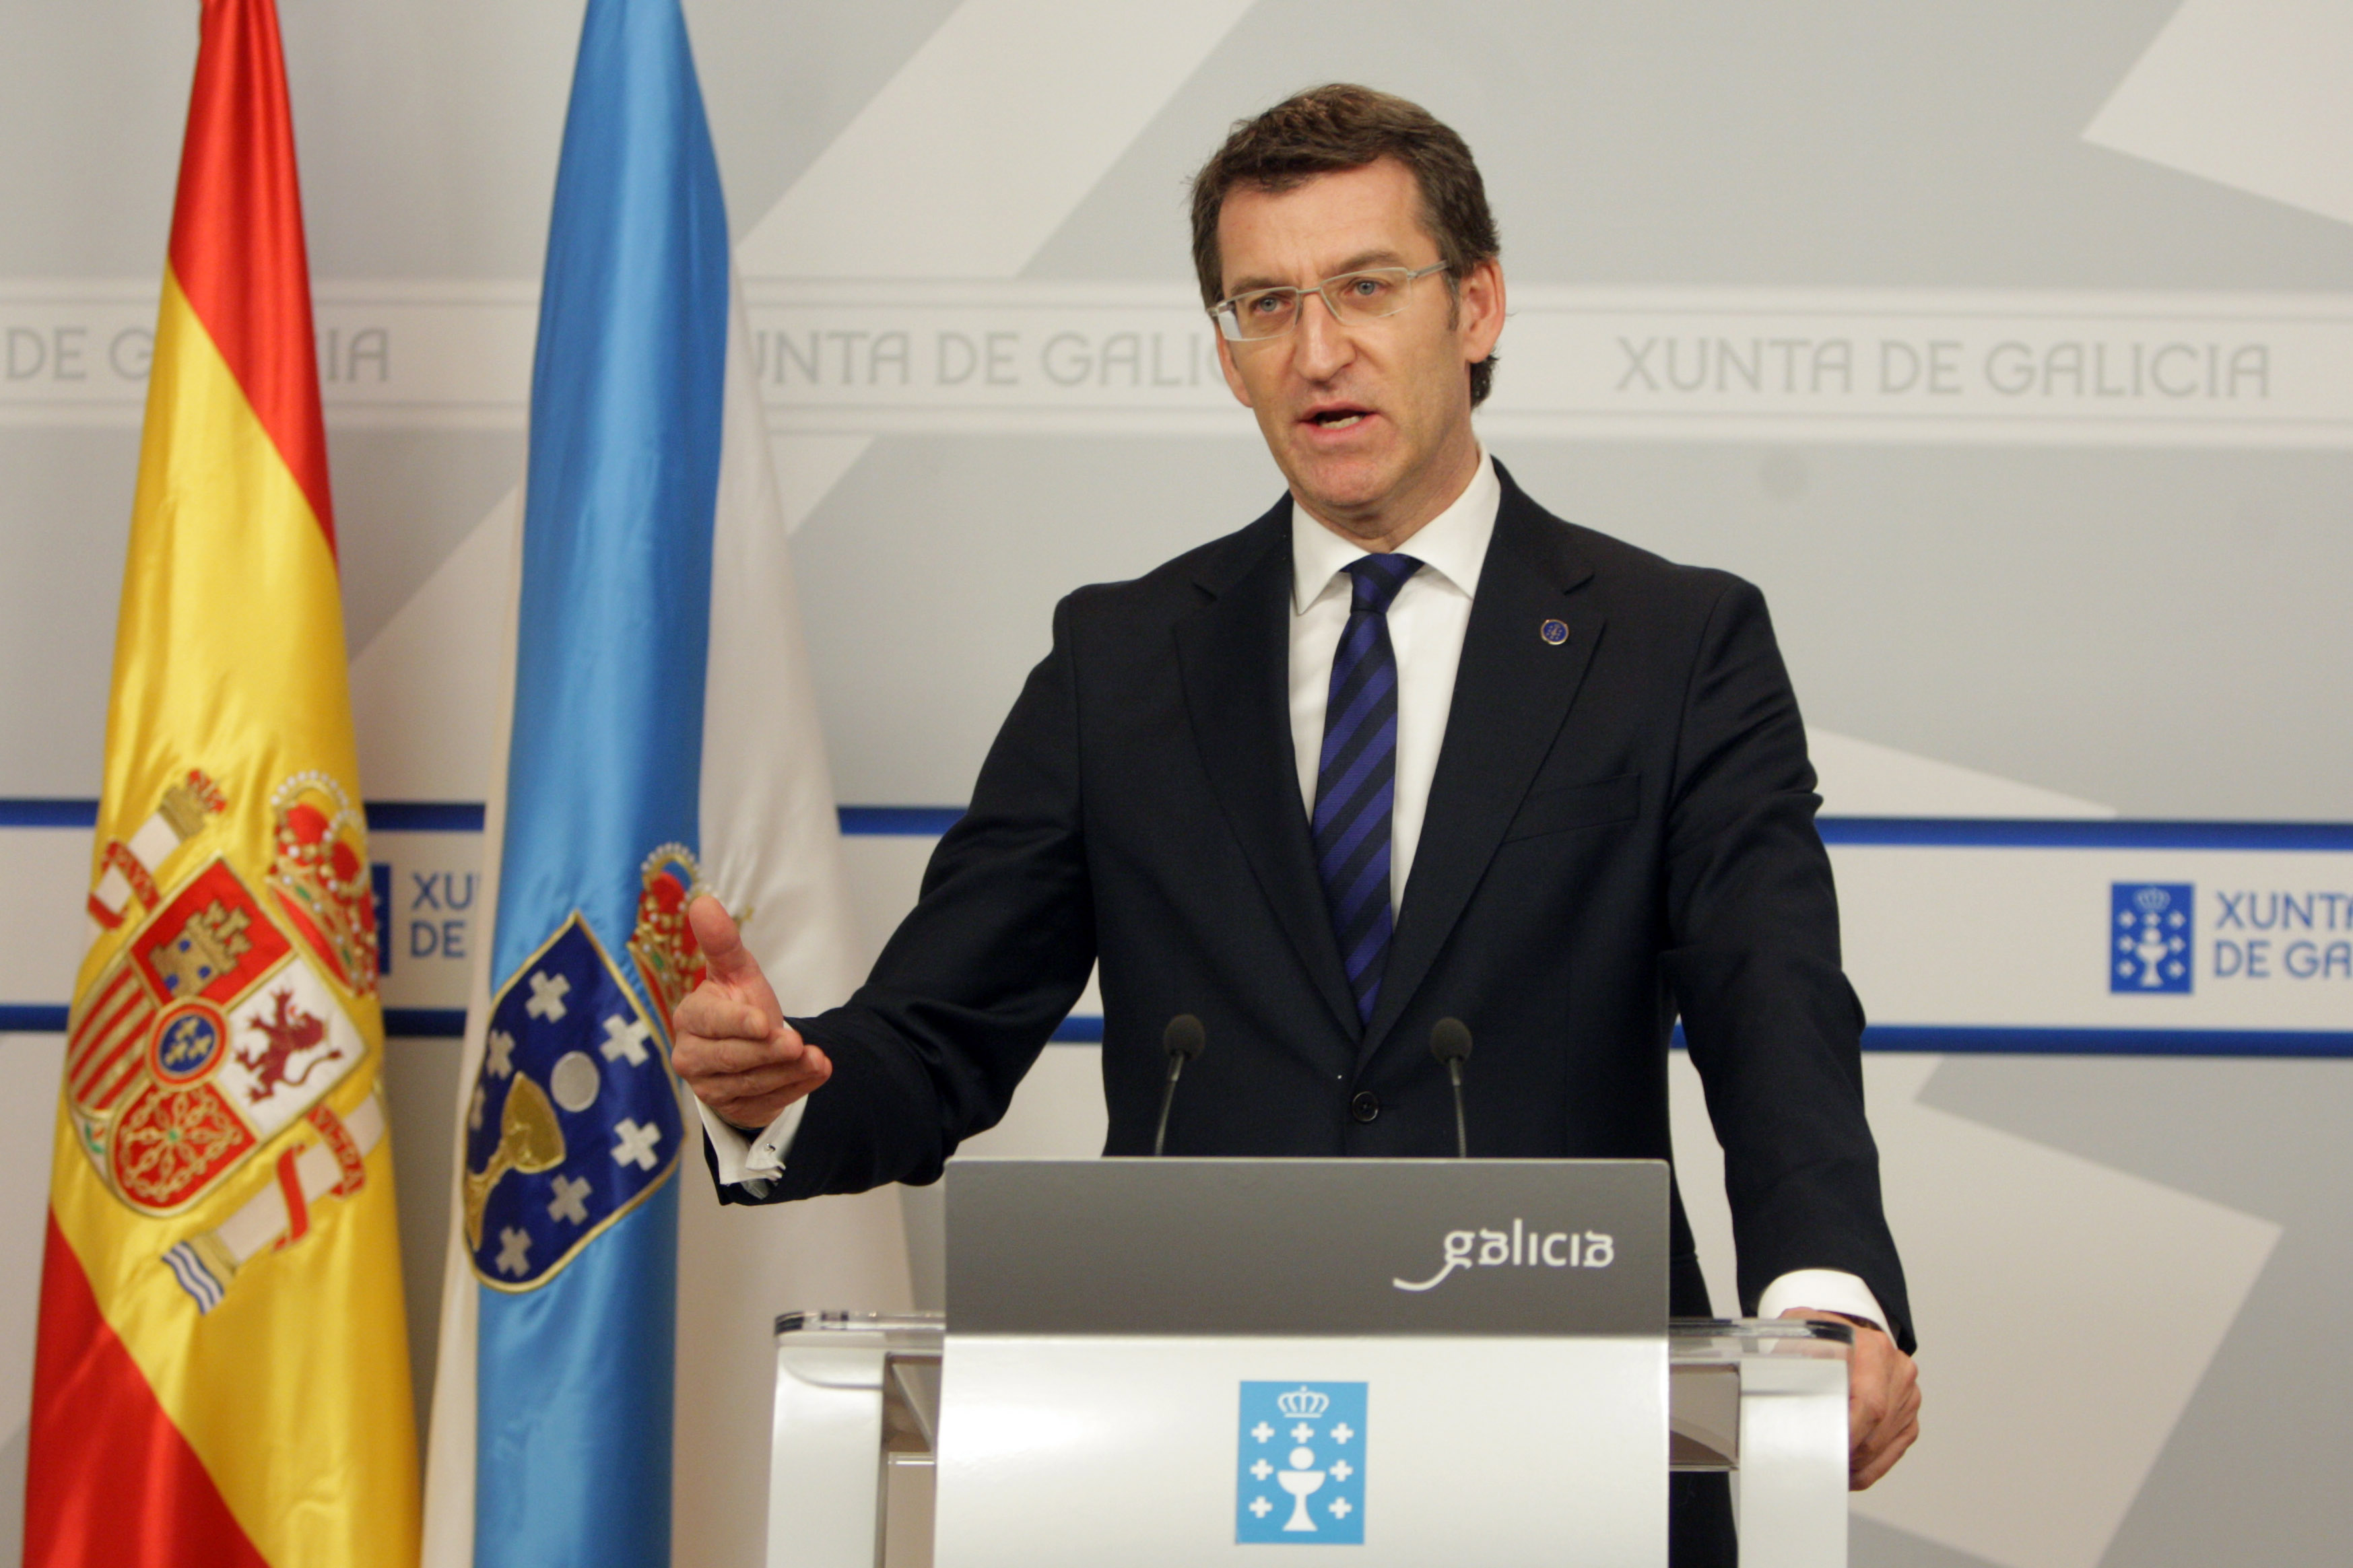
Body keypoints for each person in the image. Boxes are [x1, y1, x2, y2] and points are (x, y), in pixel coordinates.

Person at [674, 84, 1919, 1550]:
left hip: (1565, 1439)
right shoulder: (1121, 659)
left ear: (1475, 306)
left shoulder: (1672, 644)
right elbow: (939, 1029)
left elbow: (1772, 1001)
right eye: (1265, 304)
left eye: (1365, 288)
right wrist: (786, 1082)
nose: (1316, 350)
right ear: (1227, 355)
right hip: (1184, 1447)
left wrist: (1823, 1292)